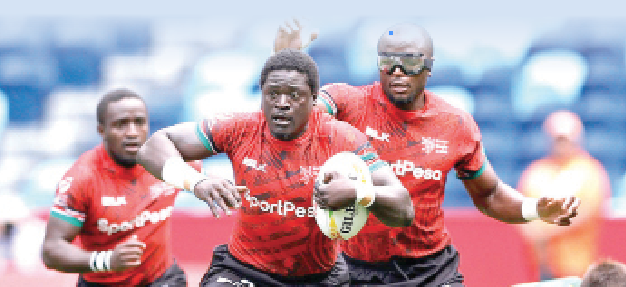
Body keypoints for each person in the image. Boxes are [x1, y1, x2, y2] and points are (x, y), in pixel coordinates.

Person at [274, 22, 581, 286]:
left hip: (430, 271)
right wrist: (288, 62)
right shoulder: (347, 102)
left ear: (429, 65)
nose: (397, 71)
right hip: (358, 270)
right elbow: (296, 119)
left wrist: (535, 210)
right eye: (388, 61)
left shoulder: (455, 125)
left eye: (409, 62)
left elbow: (489, 194)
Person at [136, 49, 414, 286]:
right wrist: (196, 182)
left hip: (319, 277)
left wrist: (357, 191)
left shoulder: (343, 139)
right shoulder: (240, 128)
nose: (281, 104)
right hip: (243, 271)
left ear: (314, 100)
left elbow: (403, 210)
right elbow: (153, 147)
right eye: (273, 94)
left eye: (294, 95)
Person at [41, 89, 201, 286]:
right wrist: (107, 261)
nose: (132, 132)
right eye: (121, 124)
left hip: (161, 279)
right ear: (102, 130)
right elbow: (51, 251)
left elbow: (205, 175)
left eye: (140, 122)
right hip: (101, 283)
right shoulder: (81, 179)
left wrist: (212, 186)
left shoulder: (169, 162)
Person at [518, 110, 610, 280]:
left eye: (565, 139)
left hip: (576, 266)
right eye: (557, 138)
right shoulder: (537, 171)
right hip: (541, 265)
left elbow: (583, 213)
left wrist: (543, 228)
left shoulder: (589, 171)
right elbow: (521, 210)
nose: (561, 144)